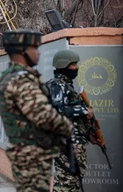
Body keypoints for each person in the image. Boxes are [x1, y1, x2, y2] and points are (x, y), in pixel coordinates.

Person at [0, 29, 74, 192]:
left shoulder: (11, 77)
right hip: (32, 156)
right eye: (34, 48)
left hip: (27, 152)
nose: (38, 53)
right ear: (22, 51)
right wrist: (68, 128)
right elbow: (44, 116)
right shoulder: (21, 80)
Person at [46, 50, 94, 191]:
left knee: (73, 182)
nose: (77, 67)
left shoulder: (66, 85)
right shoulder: (57, 85)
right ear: (63, 65)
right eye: (73, 64)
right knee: (66, 182)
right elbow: (59, 110)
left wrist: (89, 134)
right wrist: (85, 111)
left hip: (74, 139)